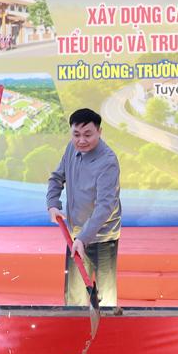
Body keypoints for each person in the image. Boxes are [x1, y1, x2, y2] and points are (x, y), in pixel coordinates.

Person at [46, 108, 122, 307]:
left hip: (103, 238)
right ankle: (74, 332)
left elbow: (105, 206)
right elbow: (56, 178)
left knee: (105, 297)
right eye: (76, 135)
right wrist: (53, 204)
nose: (81, 140)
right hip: (75, 234)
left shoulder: (108, 162)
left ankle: (107, 332)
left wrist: (83, 237)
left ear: (99, 132)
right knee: (74, 296)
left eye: (88, 135)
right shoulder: (72, 149)